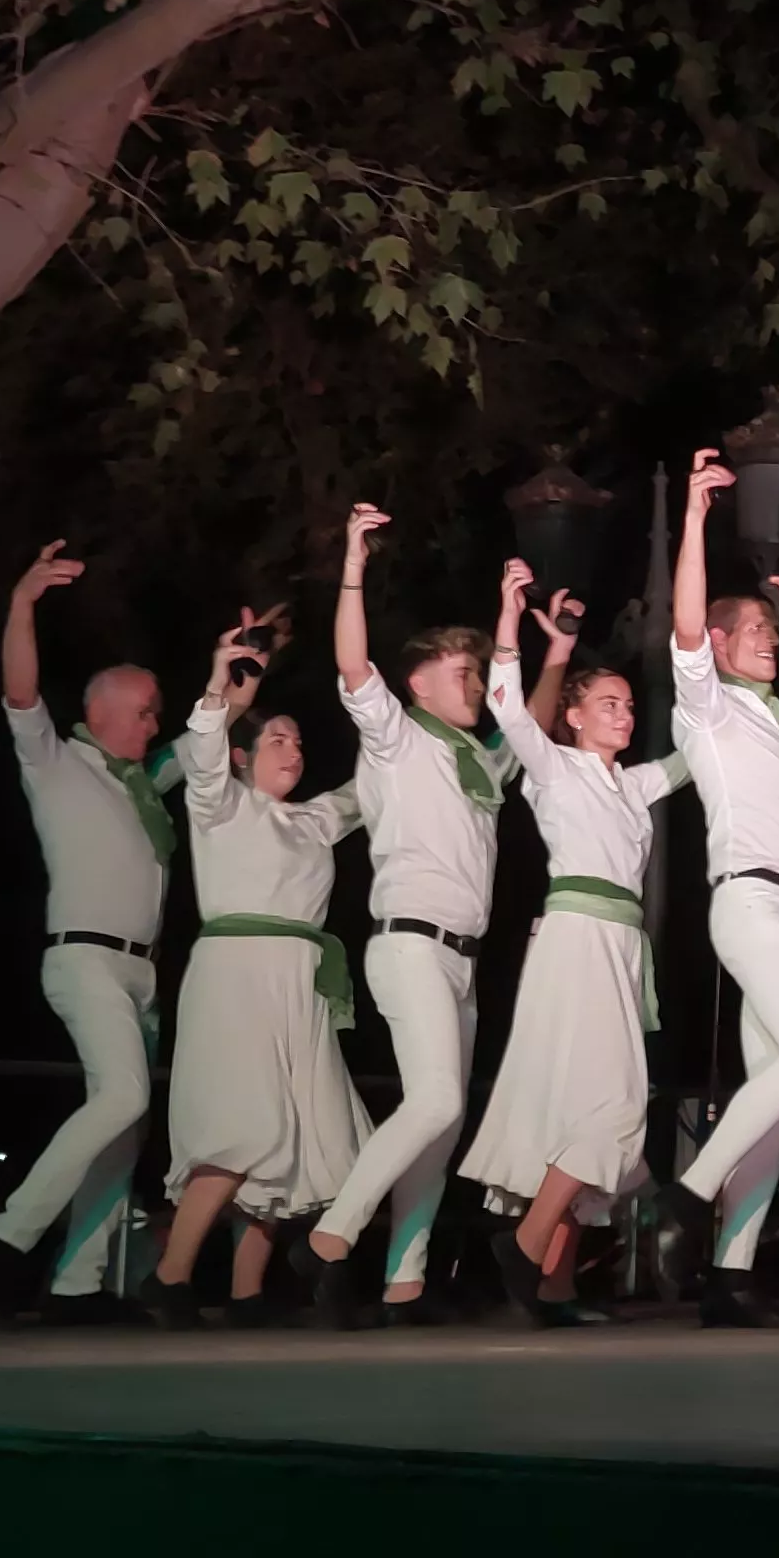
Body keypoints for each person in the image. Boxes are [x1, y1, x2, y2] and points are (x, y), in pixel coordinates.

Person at [616, 448, 779, 1326]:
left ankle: (730, 1275)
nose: (767, 636)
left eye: (770, 627)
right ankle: (687, 1191)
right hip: (751, 902)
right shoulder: (709, 706)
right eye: (753, 627)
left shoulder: (776, 721)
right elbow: (686, 624)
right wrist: (694, 518)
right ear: (719, 645)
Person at [454, 559, 695, 1328]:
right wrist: (523, 625)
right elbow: (506, 706)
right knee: (612, 1101)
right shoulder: (553, 771)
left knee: (580, 1102)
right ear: (576, 717)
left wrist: (765, 704)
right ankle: (526, 1244)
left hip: (621, 948)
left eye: (628, 706)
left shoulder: (633, 785)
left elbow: (702, 757)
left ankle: (552, 1287)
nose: (625, 716)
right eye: (610, 706)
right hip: (576, 938)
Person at [299, 503, 517, 1328]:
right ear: (420, 681)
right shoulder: (397, 736)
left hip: (462, 956)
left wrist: (535, 641)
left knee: (444, 1119)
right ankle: (327, 1240)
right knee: (432, 1100)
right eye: (464, 673)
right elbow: (353, 664)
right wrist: (354, 561)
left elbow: (520, 721)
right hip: (409, 944)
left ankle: (406, 1281)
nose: (475, 685)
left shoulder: (478, 763)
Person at [134, 607, 370, 1327]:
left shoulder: (317, 818)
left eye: (297, 740)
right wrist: (220, 679)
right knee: (245, 1123)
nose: (292, 750)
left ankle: (245, 1292)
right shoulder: (221, 804)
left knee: (298, 1131)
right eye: (275, 739)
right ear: (244, 755)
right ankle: (169, 1277)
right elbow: (202, 751)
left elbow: (382, 785)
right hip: (238, 974)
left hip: (299, 981)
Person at [0, 539, 178, 1320]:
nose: (155, 724)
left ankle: (78, 1284)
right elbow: (20, 692)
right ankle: (8, 1235)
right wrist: (22, 603)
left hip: (142, 971)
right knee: (121, 1094)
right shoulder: (58, 763)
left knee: (124, 1124)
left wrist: (237, 672)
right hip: (84, 959)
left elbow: (204, 741)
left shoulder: (143, 787)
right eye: (145, 710)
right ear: (101, 712)